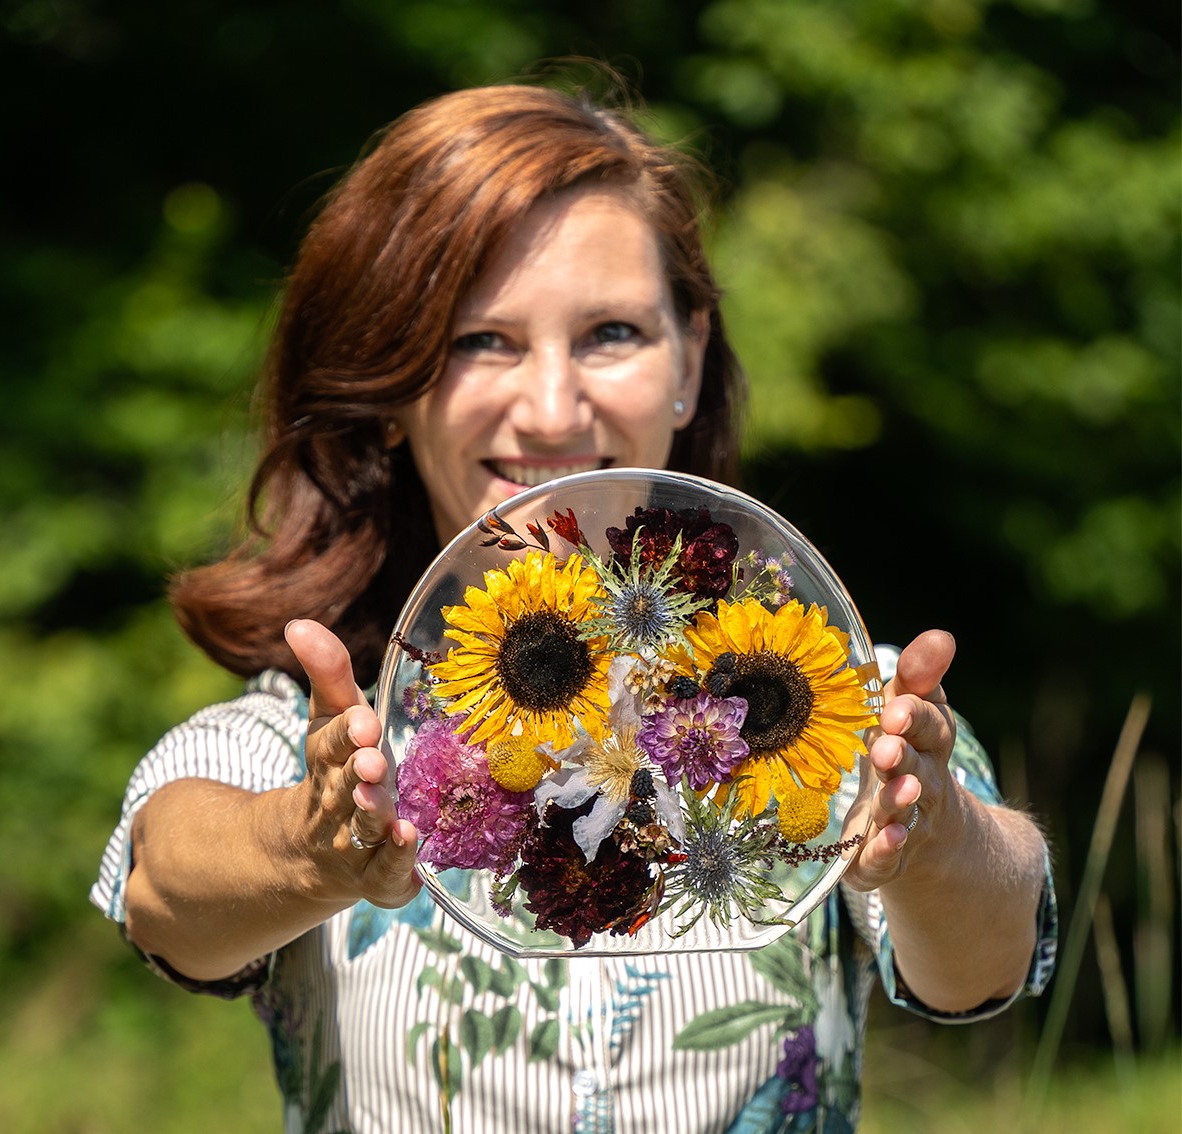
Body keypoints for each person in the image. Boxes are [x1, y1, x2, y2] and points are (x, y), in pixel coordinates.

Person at [92, 80, 1057, 1133]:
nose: (553, 410)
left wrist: (935, 838)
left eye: (609, 334)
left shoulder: (830, 703)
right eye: (479, 342)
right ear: (391, 387)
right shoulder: (323, 730)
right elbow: (168, 886)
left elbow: (985, 960)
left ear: (690, 357)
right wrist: (307, 847)